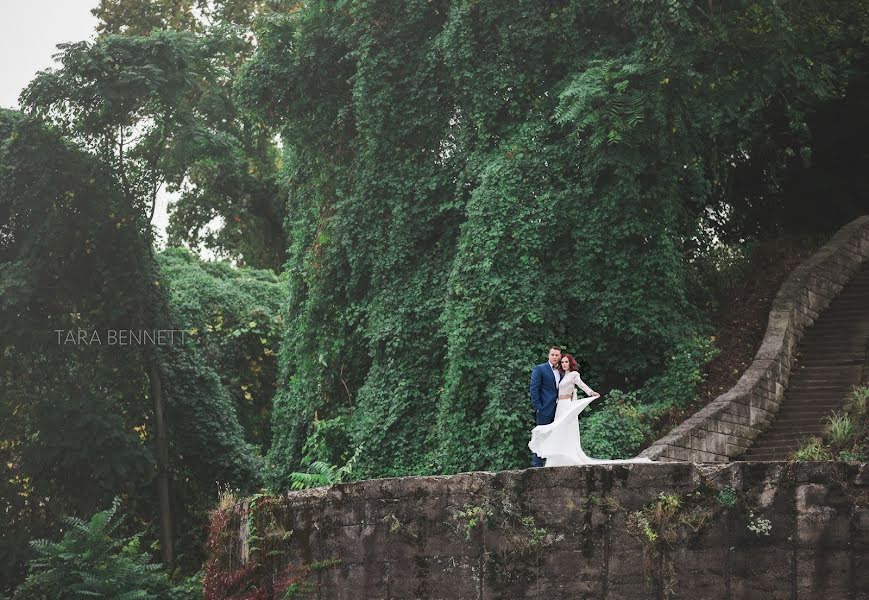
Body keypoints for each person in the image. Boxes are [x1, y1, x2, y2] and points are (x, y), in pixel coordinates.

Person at [528, 353, 654, 466]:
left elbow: (581, 384)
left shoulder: (574, 374)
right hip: (558, 406)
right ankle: (555, 458)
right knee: (559, 430)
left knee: (566, 429)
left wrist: (591, 392)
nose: (563, 364)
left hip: (566, 404)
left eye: (566, 361)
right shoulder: (561, 374)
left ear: (570, 363)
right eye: (562, 362)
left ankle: (568, 457)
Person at [529, 347, 563, 467]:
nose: (555, 357)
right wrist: (539, 406)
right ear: (549, 355)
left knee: (554, 436)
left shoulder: (561, 371)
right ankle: (537, 463)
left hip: (559, 409)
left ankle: (551, 462)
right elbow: (534, 389)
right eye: (552, 354)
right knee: (541, 435)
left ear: (560, 357)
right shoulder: (540, 369)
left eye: (557, 355)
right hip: (544, 408)